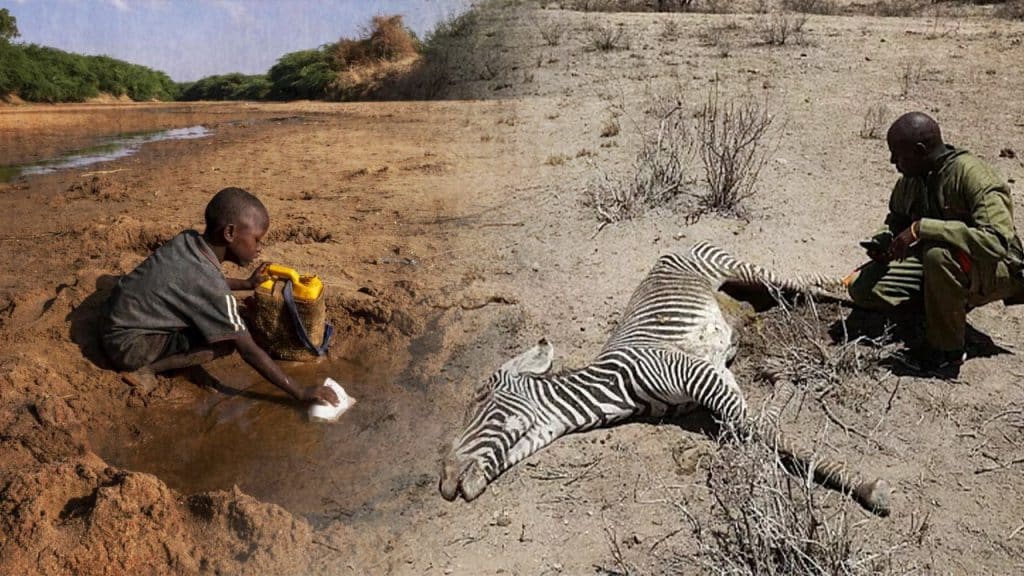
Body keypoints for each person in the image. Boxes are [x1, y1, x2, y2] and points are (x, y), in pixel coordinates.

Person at [100, 186, 339, 407]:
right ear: (230, 233)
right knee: (226, 340)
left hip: (116, 320)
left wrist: (245, 284)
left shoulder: (188, 240)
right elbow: (247, 350)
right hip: (128, 347)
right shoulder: (210, 285)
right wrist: (300, 391)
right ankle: (148, 368)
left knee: (215, 320)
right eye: (256, 239)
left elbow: (194, 283)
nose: (259, 248)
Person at [847, 112, 1024, 375]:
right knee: (862, 288)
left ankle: (946, 351)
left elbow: (996, 242)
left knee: (936, 254)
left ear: (919, 151)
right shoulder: (911, 180)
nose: (893, 161)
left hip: (997, 268)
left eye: (897, 154)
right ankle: (938, 310)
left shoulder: (973, 176)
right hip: (945, 265)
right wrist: (884, 240)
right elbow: (896, 218)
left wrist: (923, 228)